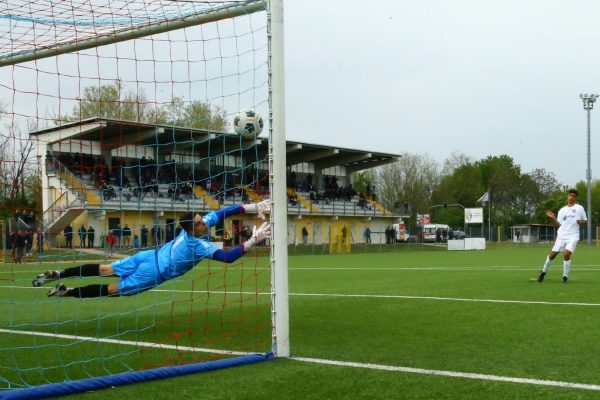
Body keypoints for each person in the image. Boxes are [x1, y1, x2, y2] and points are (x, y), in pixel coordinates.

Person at [32, 200, 270, 298]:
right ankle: (68, 291)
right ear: (193, 227)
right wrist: (252, 241)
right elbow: (227, 257)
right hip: (153, 272)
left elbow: (222, 213)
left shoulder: (193, 229)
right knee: (113, 288)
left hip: (148, 257)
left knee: (104, 269)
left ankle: (60, 274)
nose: (204, 221)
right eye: (200, 221)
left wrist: (251, 206)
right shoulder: (197, 245)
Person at [537, 189, 587, 283]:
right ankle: (543, 272)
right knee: (552, 255)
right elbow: (560, 225)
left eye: (573, 196)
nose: (571, 197)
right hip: (561, 236)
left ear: (576, 198)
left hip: (573, 236)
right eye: (570, 195)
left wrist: (581, 222)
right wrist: (553, 218)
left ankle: (565, 276)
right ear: (567, 196)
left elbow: (585, 221)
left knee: (566, 253)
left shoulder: (580, 208)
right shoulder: (562, 210)